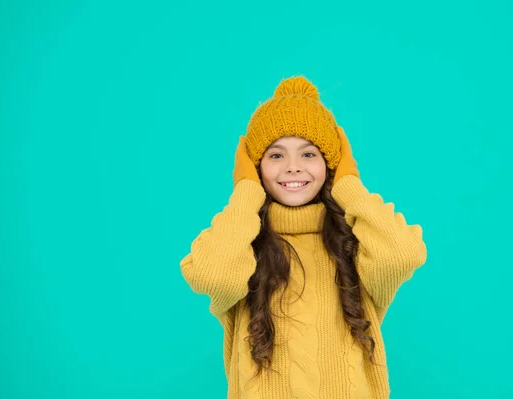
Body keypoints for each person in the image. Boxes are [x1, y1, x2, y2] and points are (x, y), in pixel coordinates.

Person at [180, 76, 427, 398]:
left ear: (332, 164)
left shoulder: (358, 244)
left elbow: (400, 256)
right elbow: (213, 277)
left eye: (309, 154)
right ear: (255, 167)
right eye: (276, 155)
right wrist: (245, 192)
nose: (293, 167)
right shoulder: (239, 244)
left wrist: (349, 184)